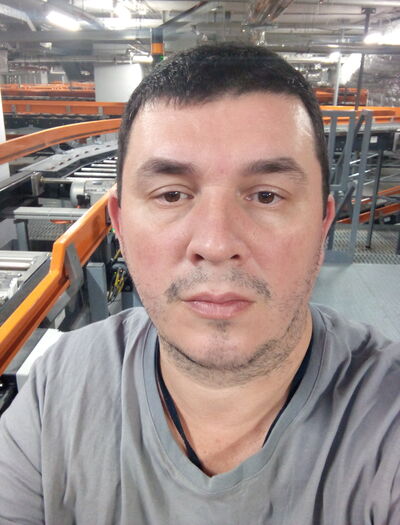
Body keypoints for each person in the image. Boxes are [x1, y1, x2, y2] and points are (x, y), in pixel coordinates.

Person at [0, 43, 399, 525]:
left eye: (266, 196)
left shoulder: (387, 422)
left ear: (322, 224)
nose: (215, 243)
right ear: (120, 226)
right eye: (172, 195)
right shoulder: (55, 395)